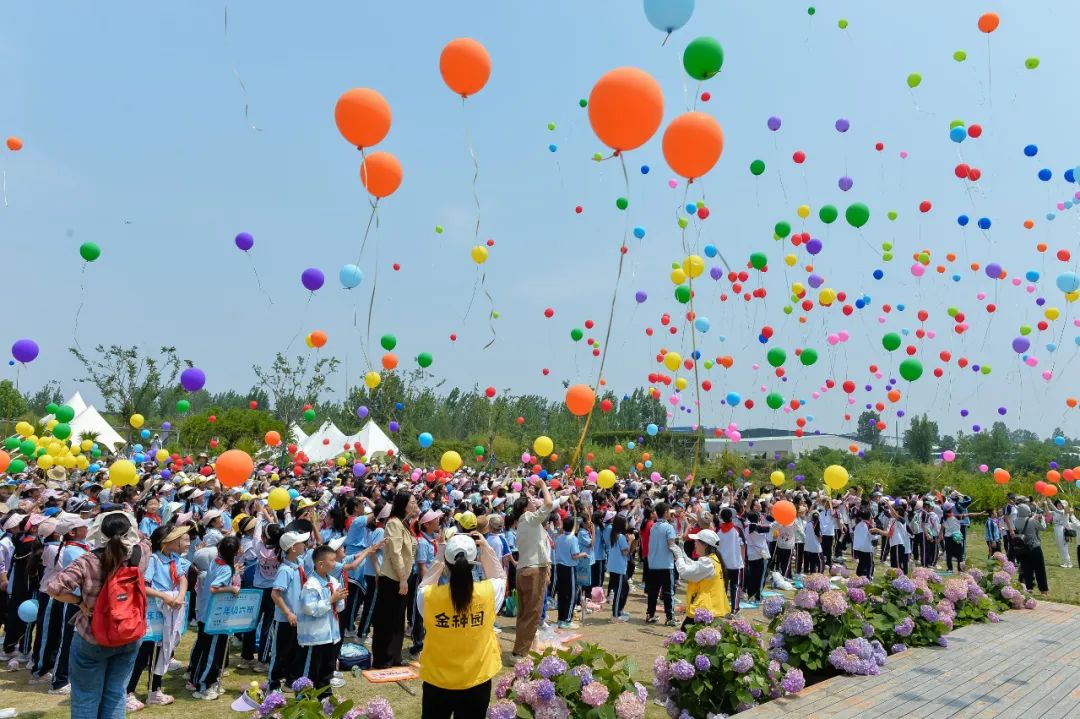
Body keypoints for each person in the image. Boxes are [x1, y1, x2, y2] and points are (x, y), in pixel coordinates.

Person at [46, 510, 152, 719]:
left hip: (92, 635)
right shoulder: (140, 556)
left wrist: (79, 602)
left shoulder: (87, 561)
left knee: (86, 696)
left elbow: (54, 588)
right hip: (129, 632)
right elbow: (144, 538)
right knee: (116, 694)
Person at [417, 532, 506, 719]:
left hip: (437, 680)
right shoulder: (488, 593)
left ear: (447, 563)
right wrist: (486, 550)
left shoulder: (429, 597)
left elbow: (424, 586)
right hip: (476, 679)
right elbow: (500, 577)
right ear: (473, 561)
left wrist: (441, 554)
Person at [188, 535, 240, 699]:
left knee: (204, 649)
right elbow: (214, 588)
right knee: (212, 653)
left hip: (205, 613)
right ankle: (204, 686)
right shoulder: (225, 568)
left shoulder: (215, 561)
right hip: (215, 617)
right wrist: (232, 588)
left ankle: (197, 680)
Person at [507, 476, 554, 657]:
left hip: (527, 568)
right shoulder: (528, 518)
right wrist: (543, 485)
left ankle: (520, 650)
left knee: (525, 613)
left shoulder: (524, 522)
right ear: (526, 508)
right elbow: (548, 504)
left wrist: (528, 493)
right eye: (531, 502)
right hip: (533, 570)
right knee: (532, 614)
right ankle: (519, 654)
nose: (535, 503)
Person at [372, 489, 418, 668]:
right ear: (403, 505)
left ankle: (395, 657)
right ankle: (383, 659)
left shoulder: (406, 524)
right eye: (412, 502)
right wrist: (403, 579)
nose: (415, 505)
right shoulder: (393, 524)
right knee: (386, 620)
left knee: (399, 619)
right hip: (393, 579)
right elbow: (395, 553)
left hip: (403, 577)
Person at [297, 544, 348, 691]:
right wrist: (331, 599)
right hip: (315, 637)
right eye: (332, 560)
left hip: (331, 634)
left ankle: (325, 694)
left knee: (327, 667)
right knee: (313, 668)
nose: (335, 564)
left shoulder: (333, 581)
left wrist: (339, 599)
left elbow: (339, 608)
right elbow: (310, 608)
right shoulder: (311, 585)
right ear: (320, 564)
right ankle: (305, 698)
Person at [268, 530, 309, 691]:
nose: (304, 544)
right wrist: (288, 612)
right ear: (293, 548)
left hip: (298, 618)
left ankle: (291, 681)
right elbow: (275, 594)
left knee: (295, 651)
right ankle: (274, 683)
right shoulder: (285, 570)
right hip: (285, 619)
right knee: (280, 653)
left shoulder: (299, 563)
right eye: (301, 542)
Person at [672, 528, 729, 629]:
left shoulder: (707, 562)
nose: (694, 544)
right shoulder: (713, 559)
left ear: (705, 545)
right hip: (710, 609)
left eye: (696, 541)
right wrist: (682, 553)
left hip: (703, 610)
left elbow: (686, 573)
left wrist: (679, 557)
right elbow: (694, 566)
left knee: (685, 638)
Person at [553, 517, 587, 629]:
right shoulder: (573, 539)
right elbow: (574, 556)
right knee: (571, 594)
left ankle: (561, 619)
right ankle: (567, 619)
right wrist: (583, 554)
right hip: (569, 568)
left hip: (559, 567)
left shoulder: (560, 537)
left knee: (562, 594)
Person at [1014, 502, 1048, 594]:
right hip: (1034, 546)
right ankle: (1043, 590)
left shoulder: (1015, 520)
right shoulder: (1031, 521)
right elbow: (1043, 528)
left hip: (1022, 547)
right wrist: (1042, 518)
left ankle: (1029, 588)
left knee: (1027, 569)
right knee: (1039, 569)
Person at [716, 508, 744, 614]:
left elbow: (715, 546)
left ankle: (721, 608)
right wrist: (743, 560)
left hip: (722, 564)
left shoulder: (718, 530)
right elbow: (743, 546)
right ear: (732, 517)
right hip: (735, 563)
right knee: (735, 587)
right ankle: (735, 609)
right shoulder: (737, 530)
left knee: (722, 587)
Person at [606, 515, 633, 622]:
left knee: (625, 589)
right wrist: (630, 541)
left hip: (614, 566)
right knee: (619, 591)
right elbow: (625, 552)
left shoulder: (613, 534)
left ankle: (619, 610)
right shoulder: (620, 537)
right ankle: (615, 614)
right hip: (619, 568)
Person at [1050, 500, 1074, 569]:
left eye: (1060, 504)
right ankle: (1065, 562)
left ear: (1064, 506)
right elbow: (1048, 512)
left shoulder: (1064, 511)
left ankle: (1069, 563)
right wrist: (1046, 504)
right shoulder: (1056, 511)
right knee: (1060, 546)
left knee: (1064, 546)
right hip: (1056, 529)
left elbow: (1055, 510)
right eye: (1058, 504)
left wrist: (1049, 502)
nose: (1058, 505)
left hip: (1062, 529)